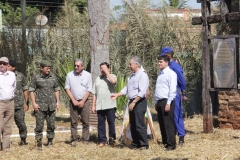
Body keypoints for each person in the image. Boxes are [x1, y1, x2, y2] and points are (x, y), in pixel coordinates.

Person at [111, 56, 149, 150]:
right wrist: (118, 94)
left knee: (139, 124)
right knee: (133, 124)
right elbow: (127, 88)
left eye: (130, 64)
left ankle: (144, 144)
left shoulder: (142, 75)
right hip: (132, 101)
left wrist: (134, 102)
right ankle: (136, 143)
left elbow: (142, 91)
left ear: (136, 64)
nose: (129, 66)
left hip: (139, 101)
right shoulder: (132, 76)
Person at [29, 60, 60, 150]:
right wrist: (34, 103)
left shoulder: (53, 77)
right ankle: (38, 143)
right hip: (40, 107)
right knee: (39, 126)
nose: (48, 70)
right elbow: (31, 90)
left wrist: (58, 101)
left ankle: (50, 141)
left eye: (49, 68)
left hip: (52, 106)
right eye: (46, 68)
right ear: (41, 68)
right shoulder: (36, 77)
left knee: (51, 125)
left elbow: (56, 89)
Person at [160, 47, 187, 146]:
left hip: (174, 93)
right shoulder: (166, 66)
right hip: (166, 94)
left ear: (168, 55)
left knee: (176, 115)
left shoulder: (175, 66)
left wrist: (183, 93)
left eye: (163, 55)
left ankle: (181, 136)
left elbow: (182, 81)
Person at [65, 59, 92, 147]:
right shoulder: (69, 75)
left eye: (78, 66)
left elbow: (89, 89)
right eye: (75, 65)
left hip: (85, 101)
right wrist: (73, 100)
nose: (76, 67)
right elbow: (67, 88)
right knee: (73, 122)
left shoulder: (88, 75)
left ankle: (85, 140)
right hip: (74, 102)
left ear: (82, 66)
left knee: (86, 122)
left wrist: (83, 101)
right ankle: (74, 140)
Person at [91, 62, 117, 147]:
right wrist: (93, 105)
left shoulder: (112, 76)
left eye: (104, 68)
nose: (102, 70)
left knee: (111, 123)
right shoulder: (98, 79)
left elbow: (113, 82)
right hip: (100, 105)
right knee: (101, 124)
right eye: (101, 68)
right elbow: (94, 93)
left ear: (108, 68)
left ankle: (112, 140)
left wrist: (107, 73)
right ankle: (102, 140)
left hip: (110, 104)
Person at [155, 55, 177, 151]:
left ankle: (171, 144)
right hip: (160, 101)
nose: (159, 63)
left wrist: (168, 103)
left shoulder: (171, 74)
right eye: (159, 62)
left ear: (166, 62)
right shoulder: (160, 74)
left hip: (167, 101)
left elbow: (172, 89)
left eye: (161, 62)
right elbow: (159, 89)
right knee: (162, 123)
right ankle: (165, 142)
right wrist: (156, 102)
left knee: (168, 123)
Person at [8, 60, 29, 146]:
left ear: (13, 67)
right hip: (6, 104)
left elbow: (25, 89)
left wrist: (26, 102)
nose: (7, 67)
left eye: (9, 66)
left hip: (19, 105)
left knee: (21, 123)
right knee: (5, 124)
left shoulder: (20, 76)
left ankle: (23, 140)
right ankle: (5, 142)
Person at [0, 57, 16, 151]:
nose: (1, 65)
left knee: (8, 125)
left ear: (7, 65)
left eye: (4, 63)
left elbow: (14, 87)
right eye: (0, 63)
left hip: (10, 102)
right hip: (0, 103)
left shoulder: (12, 75)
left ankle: (6, 147)